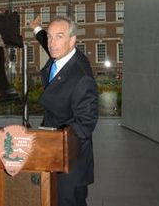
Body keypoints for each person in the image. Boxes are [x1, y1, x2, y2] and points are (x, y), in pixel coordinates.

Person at [30, 15, 98, 206]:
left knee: (67, 201)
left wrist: (54, 140)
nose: (52, 43)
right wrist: (37, 29)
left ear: (72, 40)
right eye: (50, 37)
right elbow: (48, 41)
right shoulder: (62, 54)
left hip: (70, 158)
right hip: (53, 152)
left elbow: (86, 122)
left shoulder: (81, 75)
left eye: (59, 37)